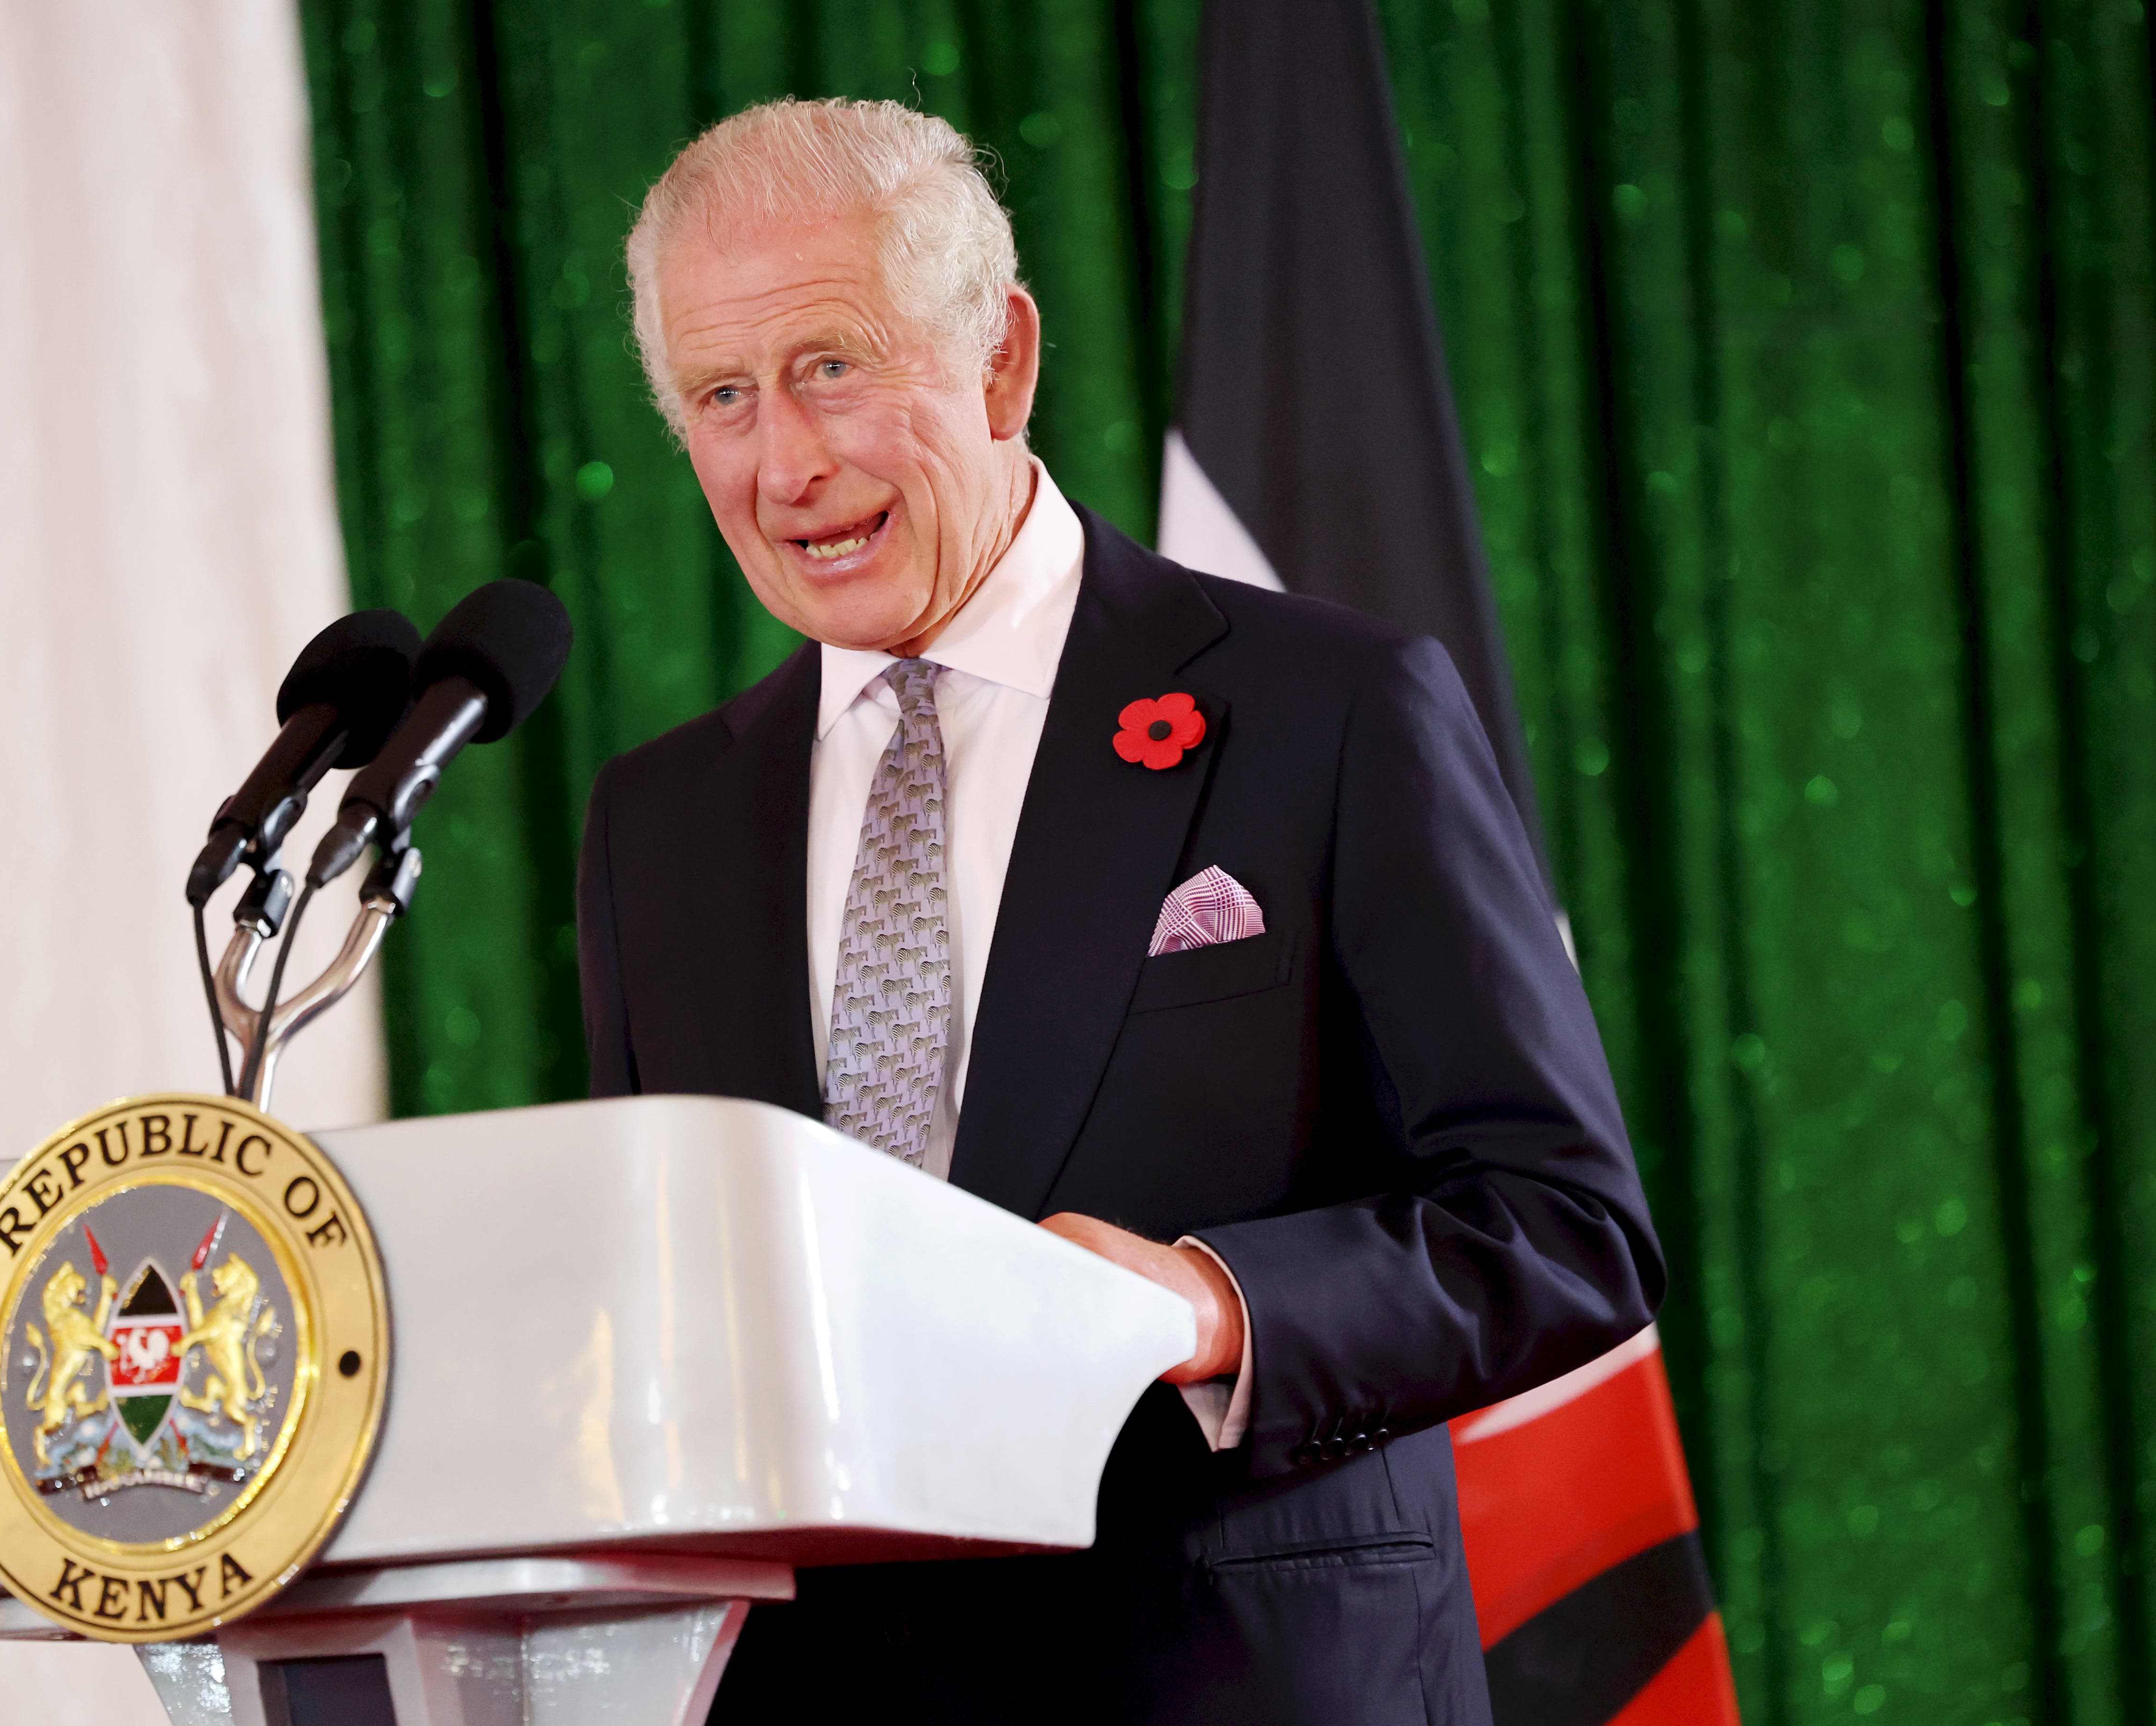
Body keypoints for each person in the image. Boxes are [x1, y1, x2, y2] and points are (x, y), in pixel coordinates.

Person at [576, 97, 1662, 1725]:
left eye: (830, 367)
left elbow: (1564, 1231)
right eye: (722, 398)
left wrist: (1211, 1306)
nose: (784, 461)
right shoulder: (659, 823)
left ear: (1001, 362)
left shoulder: (1329, 712)